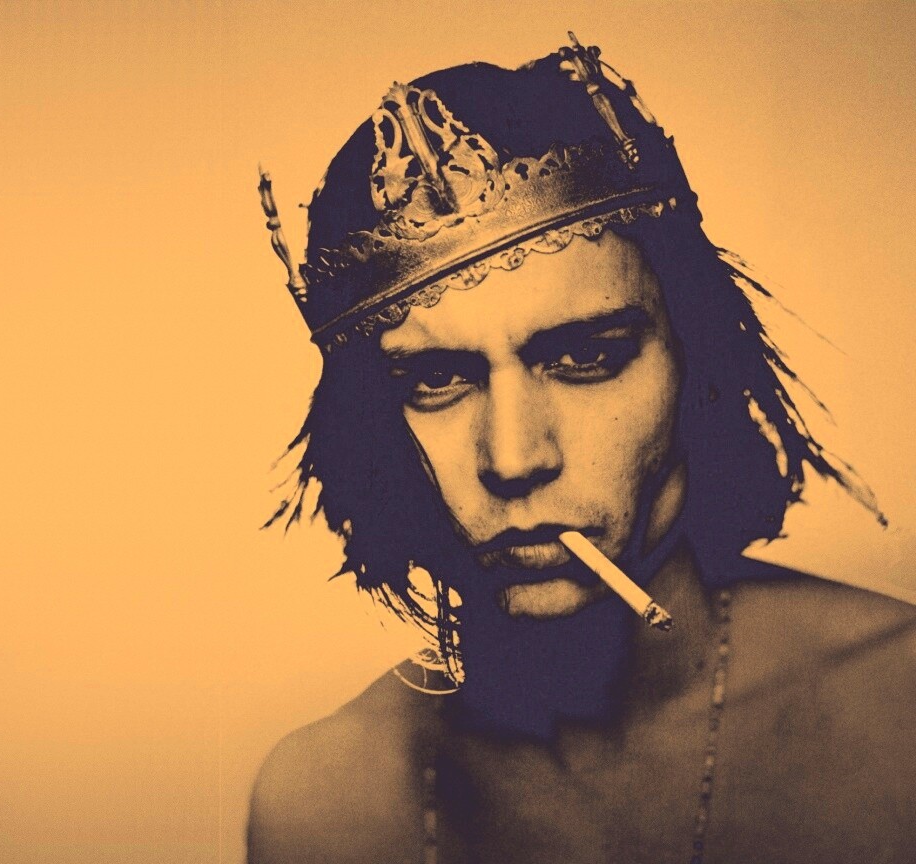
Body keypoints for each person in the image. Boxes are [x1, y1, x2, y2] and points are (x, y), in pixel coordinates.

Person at [247, 35, 916, 864]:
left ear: (698, 362)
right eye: (438, 380)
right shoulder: (325, 806)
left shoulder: (897, 711)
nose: (514, 458)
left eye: (587, 357)